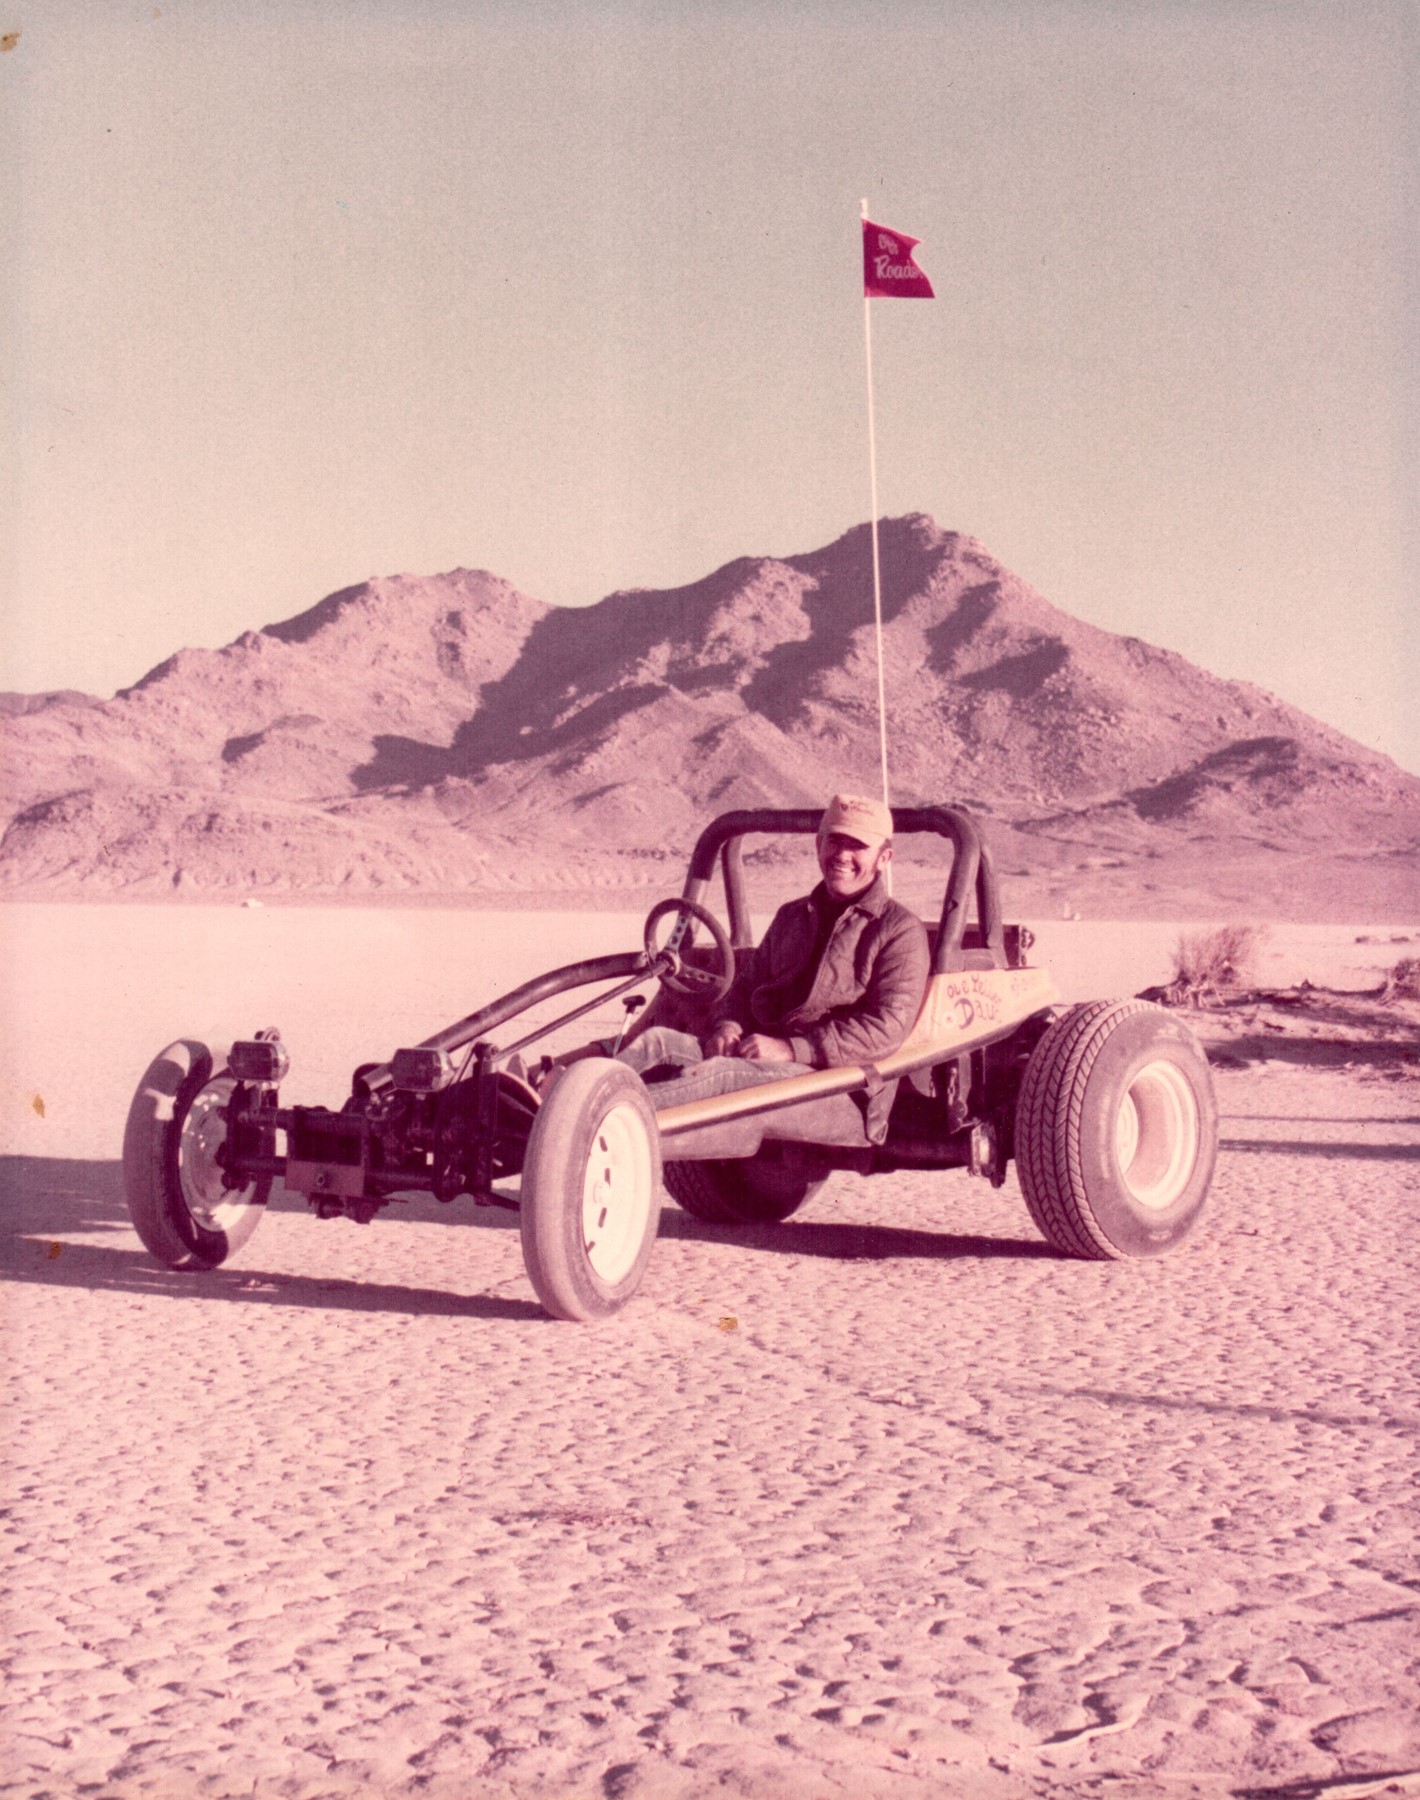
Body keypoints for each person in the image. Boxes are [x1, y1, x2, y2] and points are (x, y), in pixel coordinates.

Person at [613, 793, 930, 1145]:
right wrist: (729, 1026)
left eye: (857, 846)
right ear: (818, 845)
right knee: (657, 1042)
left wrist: (793, 1049)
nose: (842, 854)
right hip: (764, 1058)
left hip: (841, 1082)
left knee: (720, 1076)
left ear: (884, 858)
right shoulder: (792, 916)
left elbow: (885, 1028)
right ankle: (586, 1100)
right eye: (835, 841)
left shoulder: (899, 931)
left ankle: (600, 1117)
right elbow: (746, 985)